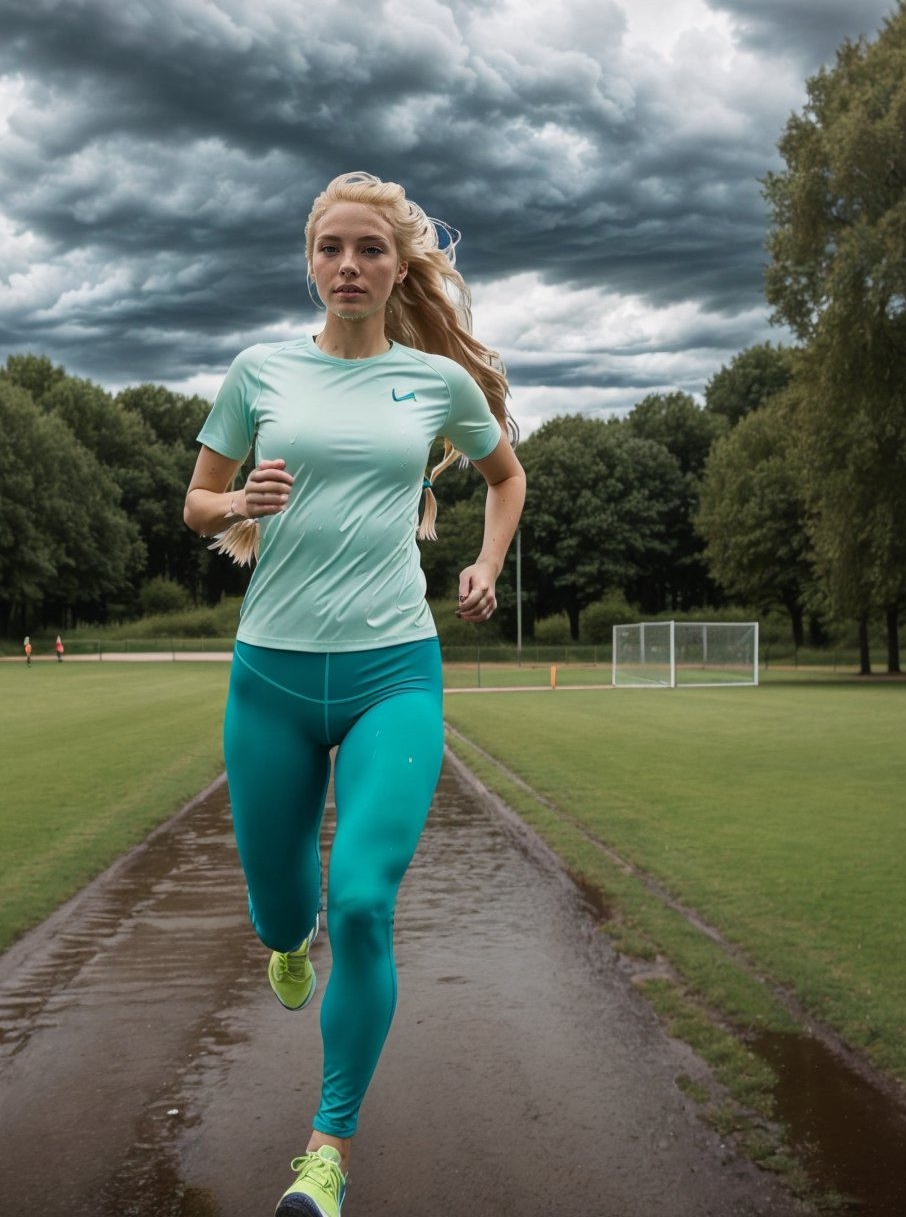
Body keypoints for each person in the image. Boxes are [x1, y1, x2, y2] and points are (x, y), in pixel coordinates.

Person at [183, 171, 525, 1217]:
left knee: (363, 903)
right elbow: (195, 505)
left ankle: (325, 1150)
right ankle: (286, 940)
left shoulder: (433, 383)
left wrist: (484, 561)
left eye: (369, 249)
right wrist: (237, 497)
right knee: (285, 909)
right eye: (330, 247)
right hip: (271, 677)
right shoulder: (258, 371)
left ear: (396, 265)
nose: (347, 266)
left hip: (392, 671)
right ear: (308, 257)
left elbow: (504, 475)